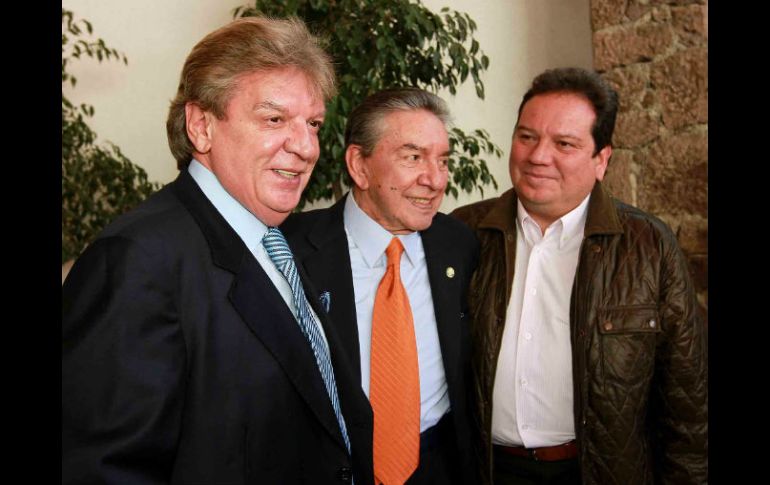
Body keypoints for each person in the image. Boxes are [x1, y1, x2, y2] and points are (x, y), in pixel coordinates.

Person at [62, 17, 373, 485]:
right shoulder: (136, 262)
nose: (306, 147)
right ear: (201, 126)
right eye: (274, 119)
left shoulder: (273, 241)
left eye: (312, 124)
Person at [451, 67, 707, 485]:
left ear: (601, 160)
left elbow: (688, 402)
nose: (538, 156)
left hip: (601, 472)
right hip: (487, 471)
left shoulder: (648, 246)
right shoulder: (462, 234)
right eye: (527, 137)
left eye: (564, 144)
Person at [282, 88, 479, 485]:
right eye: (413, 157)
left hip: (439, 464)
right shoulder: (292, 252)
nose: (434, 179)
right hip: (333, 468)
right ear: (360, 165)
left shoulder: (459, 245)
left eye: (443, 160)